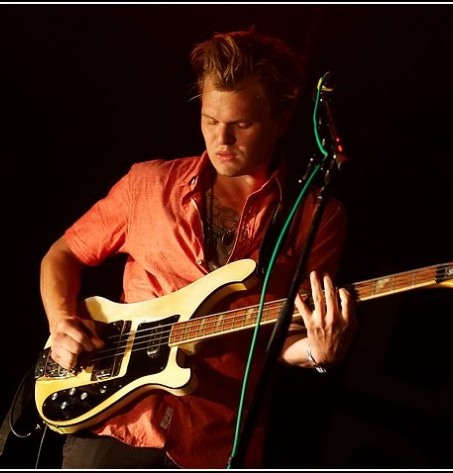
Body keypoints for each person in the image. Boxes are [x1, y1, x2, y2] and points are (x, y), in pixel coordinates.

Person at [39, 27, 356, 469]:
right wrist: (61, 323)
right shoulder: (147, 183)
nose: (220, 140)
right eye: (210, 121)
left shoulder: (313, 215)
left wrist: (319, 354)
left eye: (241, 124)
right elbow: (63, 254)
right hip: (120, 423)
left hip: (214, 442)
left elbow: (284, 336)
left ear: (281, 120)